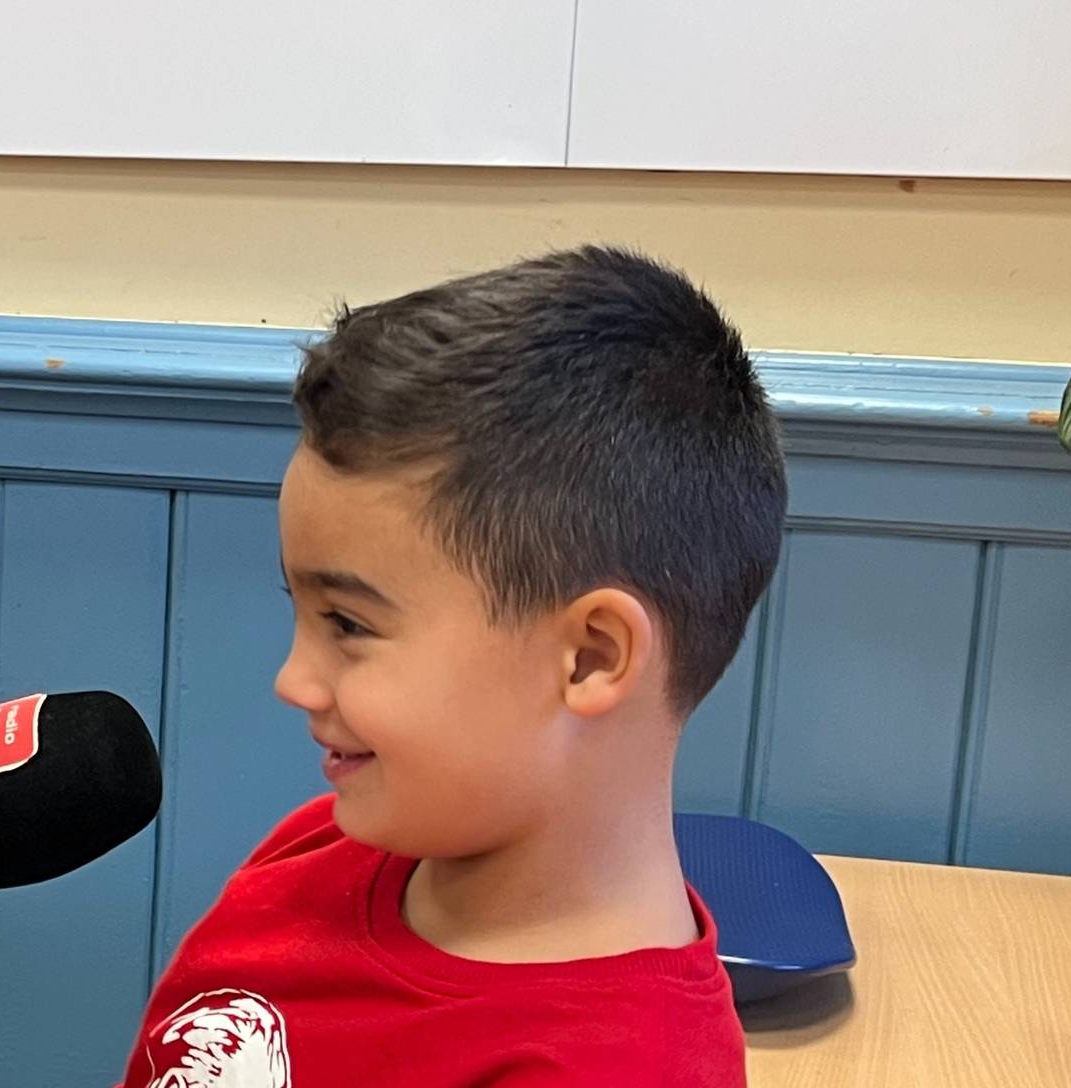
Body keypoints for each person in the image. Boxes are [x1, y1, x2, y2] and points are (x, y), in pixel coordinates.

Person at [117, 247, 784, 1088]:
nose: (293, 679)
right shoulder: (317, 848)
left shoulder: (615, 1066)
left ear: (590, 657)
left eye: (349, 623)